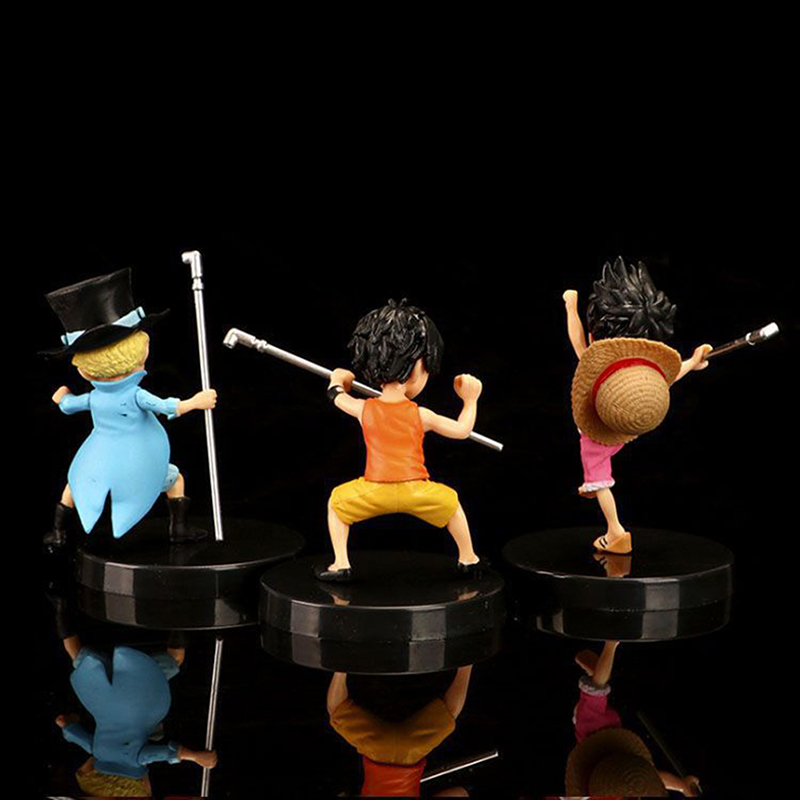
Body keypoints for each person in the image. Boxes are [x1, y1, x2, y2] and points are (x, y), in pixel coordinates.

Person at [41, 269, 217, 551]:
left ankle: (58, 532)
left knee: (75, 484)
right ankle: (179, 528)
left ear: (85, 370)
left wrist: (62, 396)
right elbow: (168, 406)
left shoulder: (94, 397)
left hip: (98, 459)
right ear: (141, 355)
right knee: (175, 479)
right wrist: (197, 401)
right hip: (137, 463)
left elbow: (68, 405)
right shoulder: (136, 395)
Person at [317, 299, 484, 581]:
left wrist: (339, 378)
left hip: (373, 490)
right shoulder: (421, 415)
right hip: (415, 490)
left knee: (336, 504)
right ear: (418, 366)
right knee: (452, 506)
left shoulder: (364, 409)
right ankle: (469, 559)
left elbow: (336, 395)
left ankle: (341, 564)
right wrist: (470, 400)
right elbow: (462, 430)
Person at [563, 257, 711, 554]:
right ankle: (596, 489)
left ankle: (615, 531)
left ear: (595, 335)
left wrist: (570, 306)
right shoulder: (642, 370)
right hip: (634, 422)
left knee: (599, 480)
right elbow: (667, 378)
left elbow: (577, 341)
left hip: (600, 433)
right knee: (599, 472)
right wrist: (692, 361)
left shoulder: (599, 362)